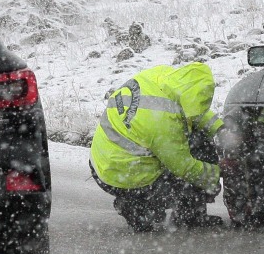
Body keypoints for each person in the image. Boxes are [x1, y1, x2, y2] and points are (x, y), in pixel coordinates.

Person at [90, 62, 224, 231]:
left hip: (102, 160)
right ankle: (137, 206)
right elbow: (184, 166)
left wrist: (220, 128)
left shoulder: (162, 76)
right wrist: (217, 174)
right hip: (121, 175)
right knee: (189, 174)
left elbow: (194, 109)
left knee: (195, 141)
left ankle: (170, 209)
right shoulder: (162, 121)